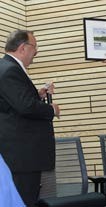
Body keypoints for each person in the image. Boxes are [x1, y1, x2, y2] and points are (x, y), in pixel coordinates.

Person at [0, 30, 60, 206]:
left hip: (18, 154)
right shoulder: (10, 70)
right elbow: (25, 107)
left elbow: (12, 103)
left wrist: (38, 95)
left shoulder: (6, 67)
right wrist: (51, 109)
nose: (37, 52)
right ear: (23, 48)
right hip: (22, 156)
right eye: (35, 47)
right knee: (24, 200)